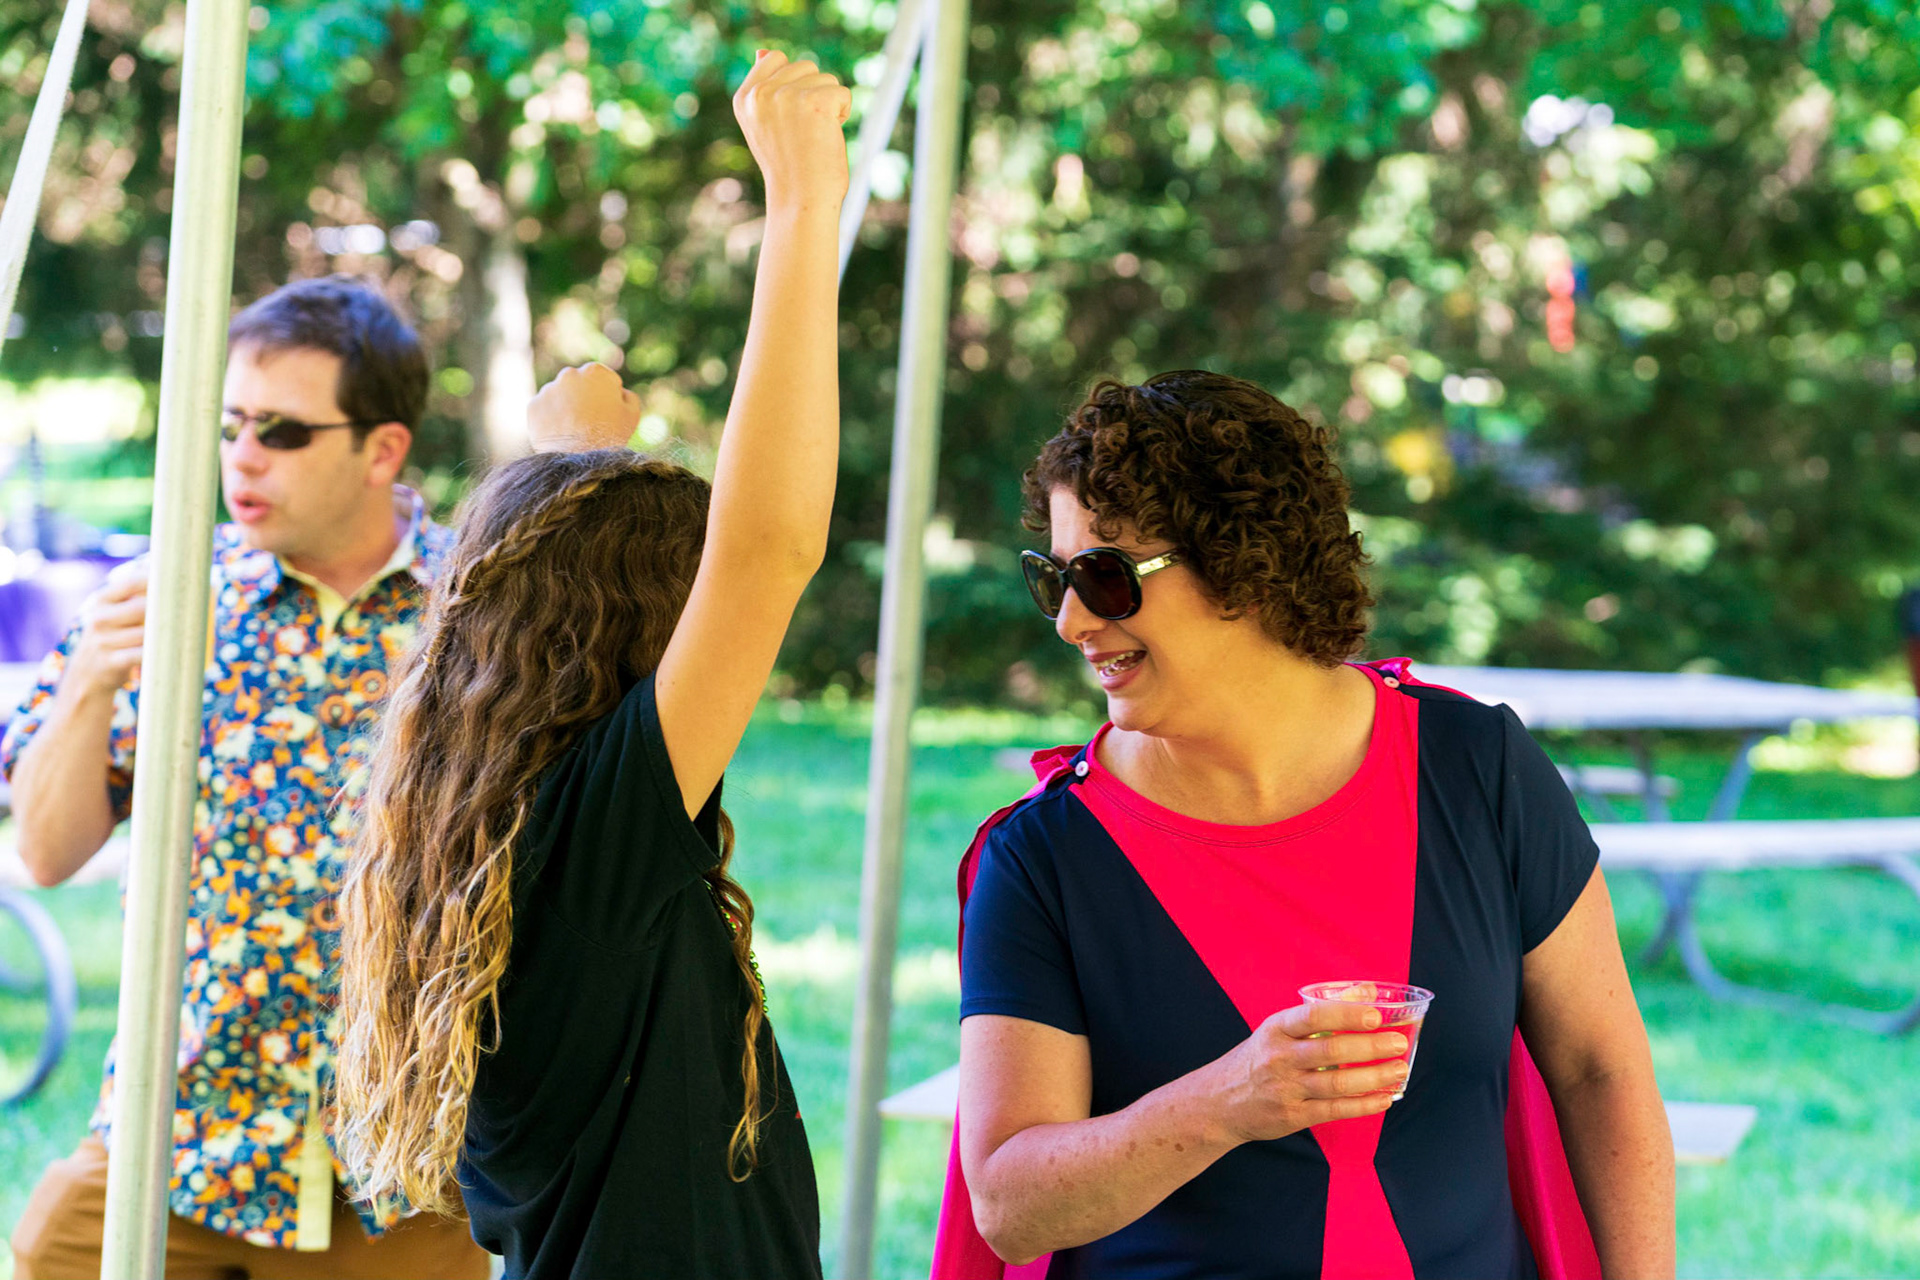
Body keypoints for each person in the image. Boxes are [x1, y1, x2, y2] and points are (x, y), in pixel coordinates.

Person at [935, 371, 1676, 1279]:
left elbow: (1602, 1073)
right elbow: (1009, 1209)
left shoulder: (1477, 767)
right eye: (1054, 577)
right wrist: (1228, 1101)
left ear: (1243, 565)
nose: (1069, 620)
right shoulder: (1044, 856)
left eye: (1103, 576)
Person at [333, 50, 849, 1280]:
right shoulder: (588, 852)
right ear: (646, 634)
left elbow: (528, 569)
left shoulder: (500, 840)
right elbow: (768, 550)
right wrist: (802, 204)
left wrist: (573, 471)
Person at [4, 277, 488, 1278]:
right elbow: (44, 855)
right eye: (230, 425)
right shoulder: (168, 595)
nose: (243, 455)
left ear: (383, 450)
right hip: (175, 1141)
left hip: (397, 1169)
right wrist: (90, 678)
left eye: (283, 430)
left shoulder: (479, 618)